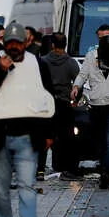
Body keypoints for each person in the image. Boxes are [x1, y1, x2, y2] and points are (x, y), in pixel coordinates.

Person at [0, 21, 56, 217]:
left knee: (27, 185)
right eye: (9, 42)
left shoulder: (38, 65)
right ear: (3, 43)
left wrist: (50, 133)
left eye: (17, 43)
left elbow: (48, 98)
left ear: (25, 43)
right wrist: (0, 70)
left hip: (27, 136)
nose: (14, 47)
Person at [73, 24, 109, 189]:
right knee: (100, 140)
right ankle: (104, 167)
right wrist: (76, 87)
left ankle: (106, 173)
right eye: (101, 38)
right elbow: (82, 74)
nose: (103, 41)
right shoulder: (91, 56)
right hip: (96, 104)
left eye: (107, 37)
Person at [43, 32, 82, 180]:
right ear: (65, 44)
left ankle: (42, 168)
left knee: (48, 135)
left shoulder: (43, 61)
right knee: (67, 136)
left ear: (52, 44)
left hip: (48, 103)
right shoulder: (71, 62)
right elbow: (78, 82)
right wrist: (75, 99)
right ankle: (67, 167)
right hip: (65, 103)